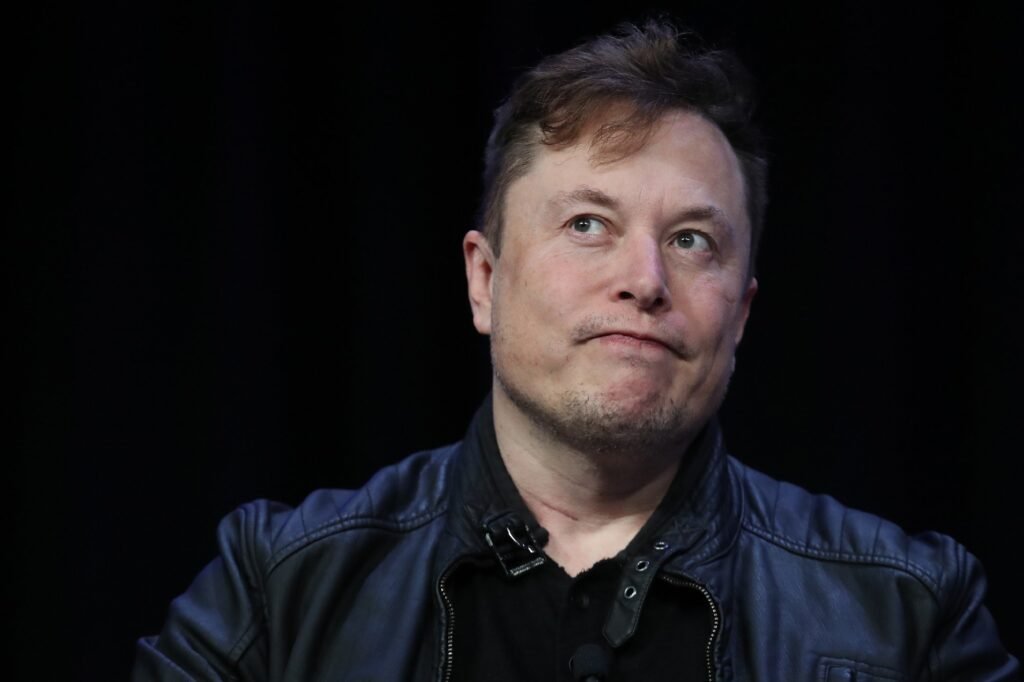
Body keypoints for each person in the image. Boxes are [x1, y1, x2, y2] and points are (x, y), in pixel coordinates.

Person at [133, 20, 1019, 681]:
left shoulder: (909, 612)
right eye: (589, 224)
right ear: (484, 280)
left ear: (742, 314)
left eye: (692, 240)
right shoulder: (278, 589)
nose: (645, 280)